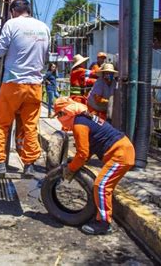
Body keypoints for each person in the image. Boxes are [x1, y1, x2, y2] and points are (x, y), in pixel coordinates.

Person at [0, 0, 50, 176]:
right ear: (28, 10)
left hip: (13, 83)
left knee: (1, 123)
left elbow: (0, 50)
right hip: (35, 85)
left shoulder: (11, 24)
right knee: (30, 125)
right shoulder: (44, 27)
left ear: (13, 11)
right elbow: (46, 56)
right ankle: (29, 165)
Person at [53, 97, 135, 235]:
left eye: (59, 115)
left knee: (102, 186)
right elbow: (89, 148)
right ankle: (101, 216)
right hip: (121, 150)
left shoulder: (79, 125)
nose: (59, 119)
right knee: (103, 186)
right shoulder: (84, 118)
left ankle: (104, 224)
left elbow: (83, 154)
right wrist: (75, 162)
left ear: (66, 112)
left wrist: (71, 169)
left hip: (120, 154)